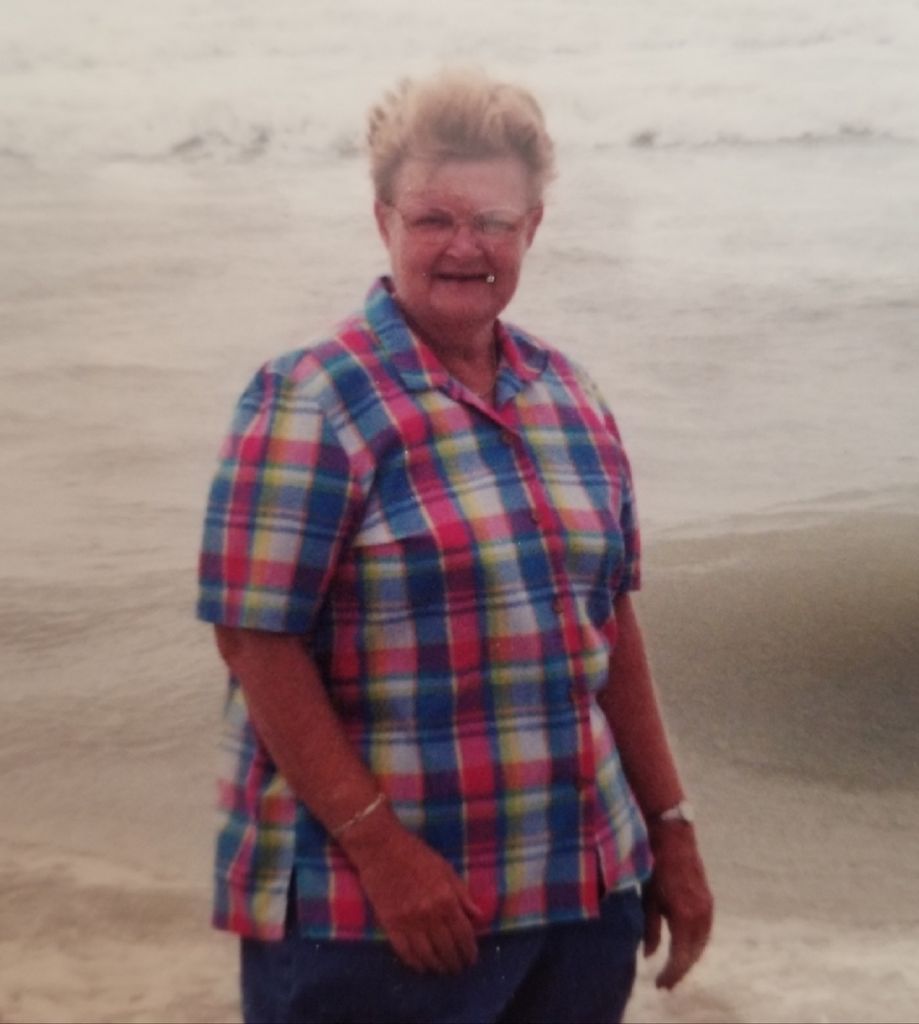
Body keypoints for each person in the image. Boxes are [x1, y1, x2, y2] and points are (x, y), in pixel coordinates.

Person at [197, 68, 713, 1024]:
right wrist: (384, 853)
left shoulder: (569, 395)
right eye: (433, 218)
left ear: (532, 229)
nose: (464, 245)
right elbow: (254, 640)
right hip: (379, 921)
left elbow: (609, 623)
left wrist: (669, 831)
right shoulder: (310, 400)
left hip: (580, 897)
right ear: (383, 220)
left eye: (493, 222)